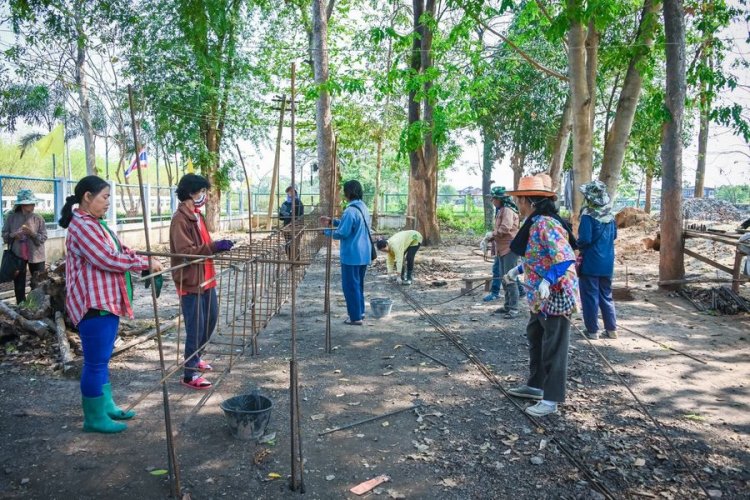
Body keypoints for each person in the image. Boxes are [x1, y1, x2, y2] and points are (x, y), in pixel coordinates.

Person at [59, 175, 162, 433]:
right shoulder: (82, 226)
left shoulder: (96, 224)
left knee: (102, 360)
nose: (108, 203)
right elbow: (106, 258)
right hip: (93, 304)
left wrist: (141, 257)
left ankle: (106, 406)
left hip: (106, 301)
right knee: (95, 363)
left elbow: (120, 249)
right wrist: (143, 264)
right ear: (87, 197)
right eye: (104, 197)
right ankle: (93, 418)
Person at [502, 175, 579, 417]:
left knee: (554, 347)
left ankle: (552, 399)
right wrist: (517, 270)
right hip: (538, 297)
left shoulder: (546, 224)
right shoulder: (534, 223)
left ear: (528, 200)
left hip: (555, 296)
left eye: (520, 200)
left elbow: (565, 257)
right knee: (535, 336)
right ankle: (536, 385)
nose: (518, 205)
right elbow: (538, 256)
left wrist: (547, 280)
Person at [170, 174, 234, 390]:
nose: (204, 196)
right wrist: (214, 247)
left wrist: (217, 246)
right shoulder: (180, 219)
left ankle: (196, 358)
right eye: (202, 192)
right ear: (191, 193)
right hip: (191, 281)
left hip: (207, 278)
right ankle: (189, 375)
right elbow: (185, 252)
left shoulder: (198, 216)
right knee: (195, 327)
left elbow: (204, 245)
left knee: (210, 320)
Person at [320, 180, 372, 325]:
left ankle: (355, 317)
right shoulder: (363, 207)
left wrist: (326, 232)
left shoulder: (350, 210)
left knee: (350, 286)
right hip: (364, 253)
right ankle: (360, 312)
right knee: (358, 284)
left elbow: (343, 232)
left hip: (351, 255)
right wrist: (332, 221)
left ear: (348, 193)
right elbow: (351, 224)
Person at [577, 180, 618, 340]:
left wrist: (576, 244)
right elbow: (614, 236)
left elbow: (585, 239)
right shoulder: (610, 215)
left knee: (590, 296)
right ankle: (611, 329)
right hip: (607, 262)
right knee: (606, 295)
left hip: (591, 262)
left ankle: (592, 331)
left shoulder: (588, 215)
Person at [2, 189, 48, 304]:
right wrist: (14, 235)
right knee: (19, 284)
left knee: (38, 283)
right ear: (22, 204)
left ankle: (37, 305)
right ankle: (21, 306)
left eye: (34, 203)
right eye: (30, 203)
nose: (33, 205)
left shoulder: (38, 218)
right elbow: (4, 235)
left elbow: (43, 238)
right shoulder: (11, 218)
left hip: (36, 255)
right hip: (17, 256)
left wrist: (32, 233)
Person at [483, 187, 521, 318]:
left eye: (494, 198)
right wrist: (490, 238)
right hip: (501, 249)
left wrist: (491, 234)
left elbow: (505, 228)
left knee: (510, 278)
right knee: (504, 279)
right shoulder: (500, 211)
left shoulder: (507, 211)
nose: (492, 201)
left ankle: (514, 308)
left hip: (509, 248)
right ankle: (507, 306)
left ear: (500, 199)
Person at [279, 186, 304, 259]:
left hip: (296, 227)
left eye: (292, 192)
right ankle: (290, 261)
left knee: (294, 245)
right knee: (288, 245)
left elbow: (300, 216)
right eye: (289, 192)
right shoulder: (285, 203)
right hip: (287, 227)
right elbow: (281, 217)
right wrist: (285, 214)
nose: (290, 193)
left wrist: (290, 215)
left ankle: (296, 262)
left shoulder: (298, 202)